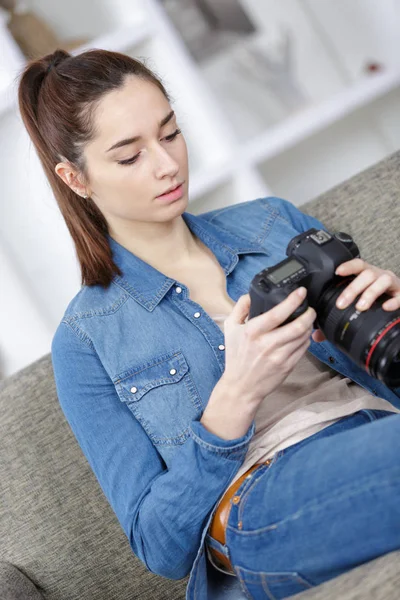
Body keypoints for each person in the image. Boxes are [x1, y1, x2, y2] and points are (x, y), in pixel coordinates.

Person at [17, 47, 400, 600]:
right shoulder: (86, 340)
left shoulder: (273, 222)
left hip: (379, 422)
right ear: (75, 177)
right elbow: (161, 548)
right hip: (265, 496)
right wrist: (235, 398)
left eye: (170, 133)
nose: (167, 164)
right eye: (129, 157)